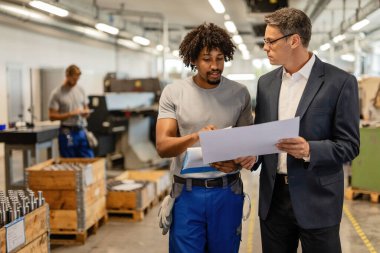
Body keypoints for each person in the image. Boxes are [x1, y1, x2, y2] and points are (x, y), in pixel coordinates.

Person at [251, 8, 360, 253]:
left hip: (318, 199)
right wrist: (251, 156)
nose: (265, 47)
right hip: (274, 200)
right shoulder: (266, 84)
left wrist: (310, 149)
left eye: (270, 41)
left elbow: (350, 145)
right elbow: (262, 137)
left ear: (294, 40)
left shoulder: (339, 82)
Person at [156, 23, 256, 253]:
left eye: (219, 59)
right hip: (187, 195)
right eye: (207, 59)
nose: (215, 66)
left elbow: (248, 144)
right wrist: (195, 137)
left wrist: (239, 161)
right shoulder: (174, 93)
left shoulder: (240, 93)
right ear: (193, 60)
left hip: (227, 192)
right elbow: (163, 145)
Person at [48, 64, 94, 158]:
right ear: (67, 76)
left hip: (81, 131)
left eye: (77, 79)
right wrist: (70, 114)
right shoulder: (57, 93)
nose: (75, 81)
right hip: (67, 132)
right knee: (69, 163)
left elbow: (86, 108)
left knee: (88, 160)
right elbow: (51, 116)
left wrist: (86, 113)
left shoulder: (80, 90)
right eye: (73, 79)